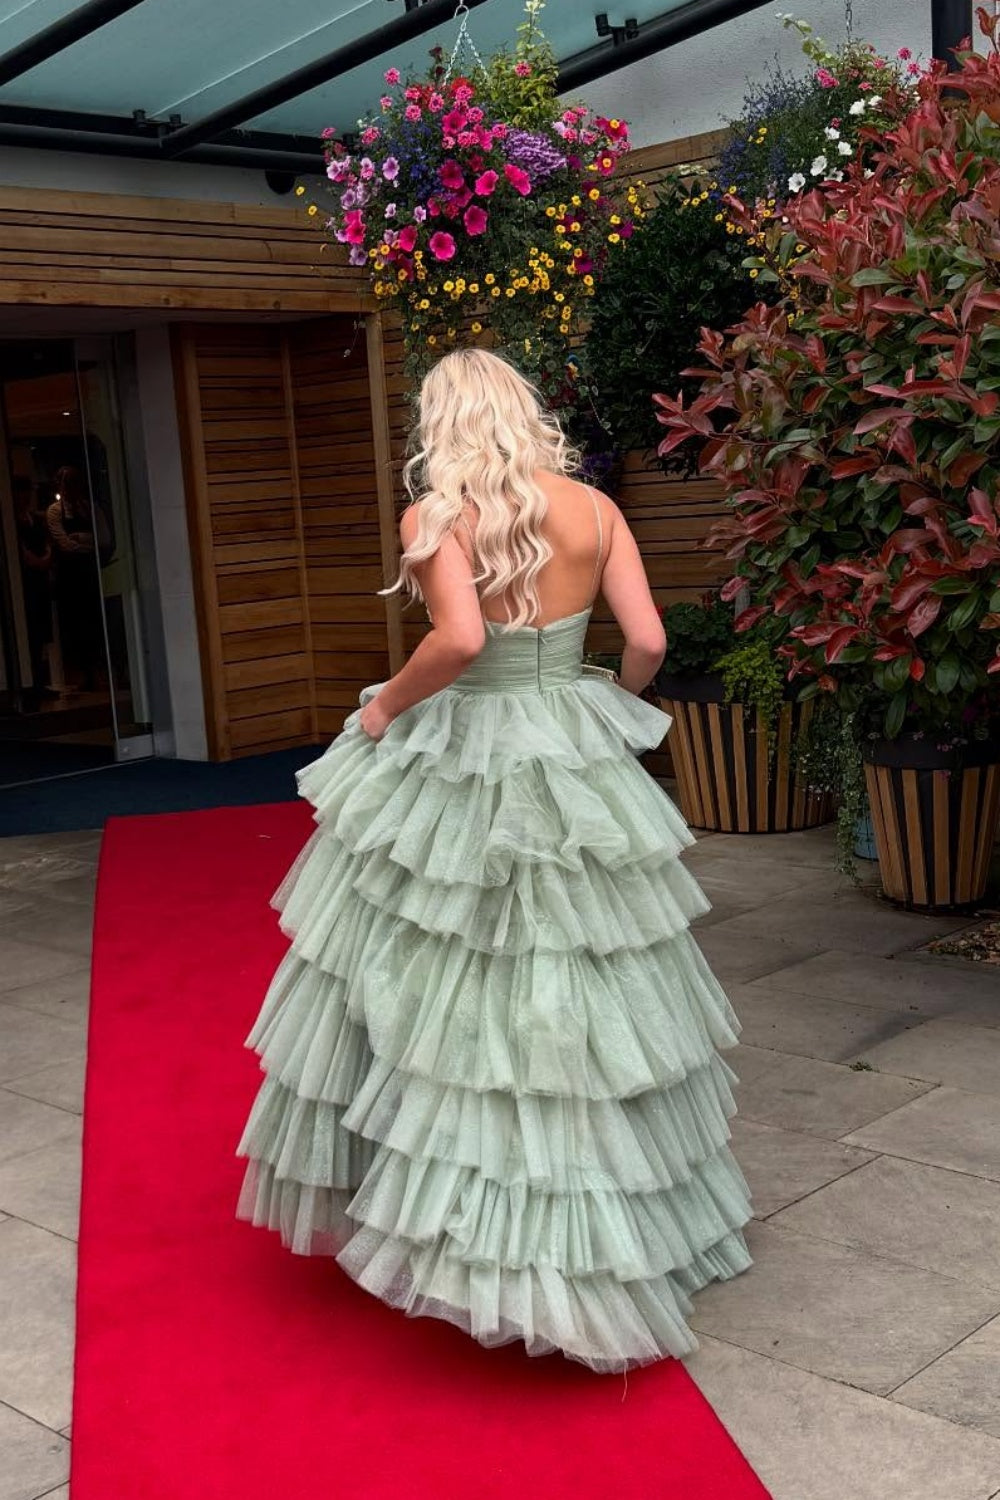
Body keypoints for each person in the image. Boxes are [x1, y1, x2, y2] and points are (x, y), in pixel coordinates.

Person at [234, 348, 752, 1373]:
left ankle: (464, 1216)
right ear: (524, 412)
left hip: (466, 750)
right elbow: (648, 641)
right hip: (567, 739)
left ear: (440, 423)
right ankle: (607, 1223)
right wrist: (605, 705)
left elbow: (461, 641)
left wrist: (382, 709)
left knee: (435, 967)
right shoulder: (594, 508)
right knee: (589, 972)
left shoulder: (437, 517)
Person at [46, 466, 112, 693]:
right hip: (70, 577)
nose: (70, 489)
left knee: (95, 623)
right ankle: (82, 672)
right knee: (74, 626)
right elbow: (64, 544)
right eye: (66, 484)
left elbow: (104, 539)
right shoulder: (55, 511)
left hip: (91, 574)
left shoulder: (91, 508)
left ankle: (98, 670)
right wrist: (88, 544)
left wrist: (81, 539)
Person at [13, 477, 54, 706]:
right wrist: (38, 562)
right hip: (25, 583)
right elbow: (23, 553)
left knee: (40, 633)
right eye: (21, 491)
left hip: (39, 582)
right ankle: (30, 683)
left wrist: (46, 559)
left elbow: (47, 545)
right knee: (28, 631)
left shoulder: (36, 519)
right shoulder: (12, 522)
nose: (25, 496)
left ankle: (39, 680)